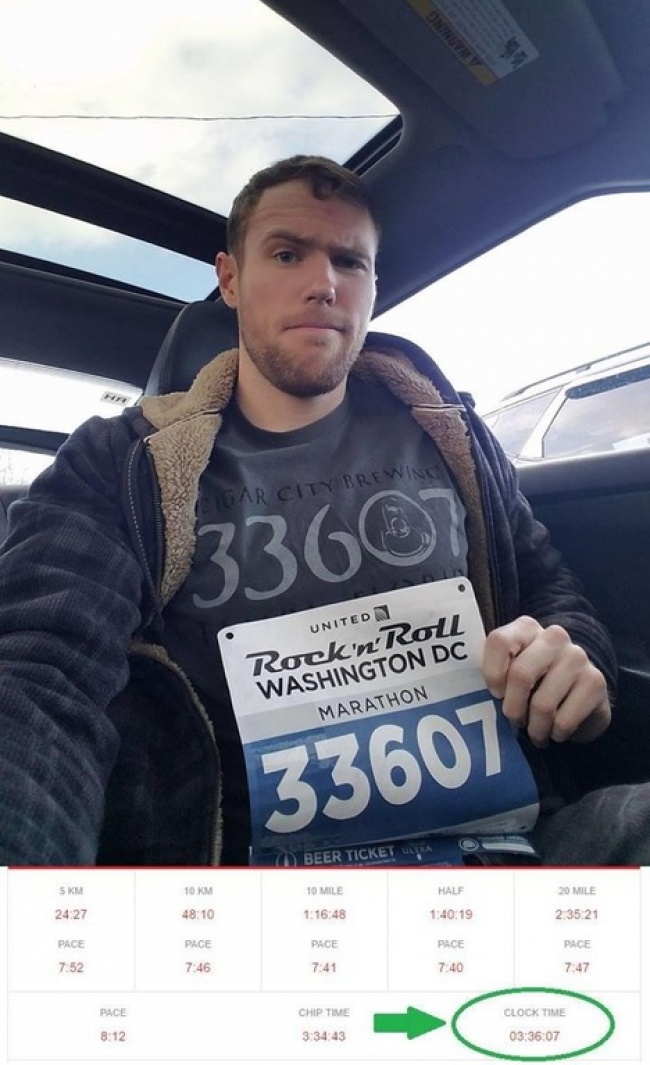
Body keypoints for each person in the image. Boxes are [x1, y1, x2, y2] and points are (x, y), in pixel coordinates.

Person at [0, 154, 648, 867]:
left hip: (509, 848)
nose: (323, 283)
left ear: (373, 288)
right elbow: (42, 673)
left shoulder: (452, 432)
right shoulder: (121, 462)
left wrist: (575, 658)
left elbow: (546, 582)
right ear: (230, 280)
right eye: (287, 254)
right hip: (244, 880)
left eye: (349, 261)